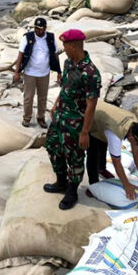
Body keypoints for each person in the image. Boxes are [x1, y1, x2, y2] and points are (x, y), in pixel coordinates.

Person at [44, 29, 101, 210]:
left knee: (74, 157)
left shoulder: (91, 73)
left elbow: (91, 105)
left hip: (75, 123)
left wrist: (85, 132)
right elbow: (65, 87)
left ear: (74, 46)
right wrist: (56, 104)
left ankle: (72, 191)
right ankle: (60, 181)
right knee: (52, 147)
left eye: (65, 46)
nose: (64, 49)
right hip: (60, 117)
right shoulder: (68, 63)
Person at [86, 102, 138, 200]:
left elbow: (136, 151)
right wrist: (127, 185)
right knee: (93, 151)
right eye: (137, 142)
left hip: (105, 119)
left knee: (103, 142)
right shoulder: (115, 134)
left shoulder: (134, 124)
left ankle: (101, 168)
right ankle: (93, 185)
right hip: (91, 116)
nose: (136, 144)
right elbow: (116, 162)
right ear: (132, 137)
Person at [13, 17, 61, 128]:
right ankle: (27, 118)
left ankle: (41, 118)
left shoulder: (50, 38)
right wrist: (17, 72)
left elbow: (55, 55)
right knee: (28, 97)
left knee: (42, 97)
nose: (38, 31)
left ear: (45, 28)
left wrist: (59, 72)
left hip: (44, 73)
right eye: (36, 28)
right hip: (30, 72)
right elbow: (20, 55)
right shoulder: (27, 38)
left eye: (40, 28)